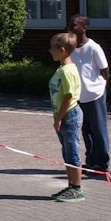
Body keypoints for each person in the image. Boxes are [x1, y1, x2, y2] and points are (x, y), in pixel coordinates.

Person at [68, 15, 111, 174]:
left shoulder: (93, 47)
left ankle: (102, 163)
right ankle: (91, 161)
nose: (70, 28)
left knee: (99, 129)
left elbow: (105, 70)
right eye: (69, 25)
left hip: (95, 95)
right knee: (85, 129)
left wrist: (100, 87)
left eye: (74, 25)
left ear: (84, 28)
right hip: (79, 95)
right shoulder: (71, 47)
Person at [49, 33, 85, 202]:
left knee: (72, 153)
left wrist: (59, 118)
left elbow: (68, 97)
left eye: (52, 48)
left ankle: (77, 188)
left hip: (69, 114)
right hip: (64, 115)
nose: (50, 51)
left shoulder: (67, 71)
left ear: (62, 50)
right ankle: (71, 186)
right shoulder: (63, 69)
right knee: (67, 152)